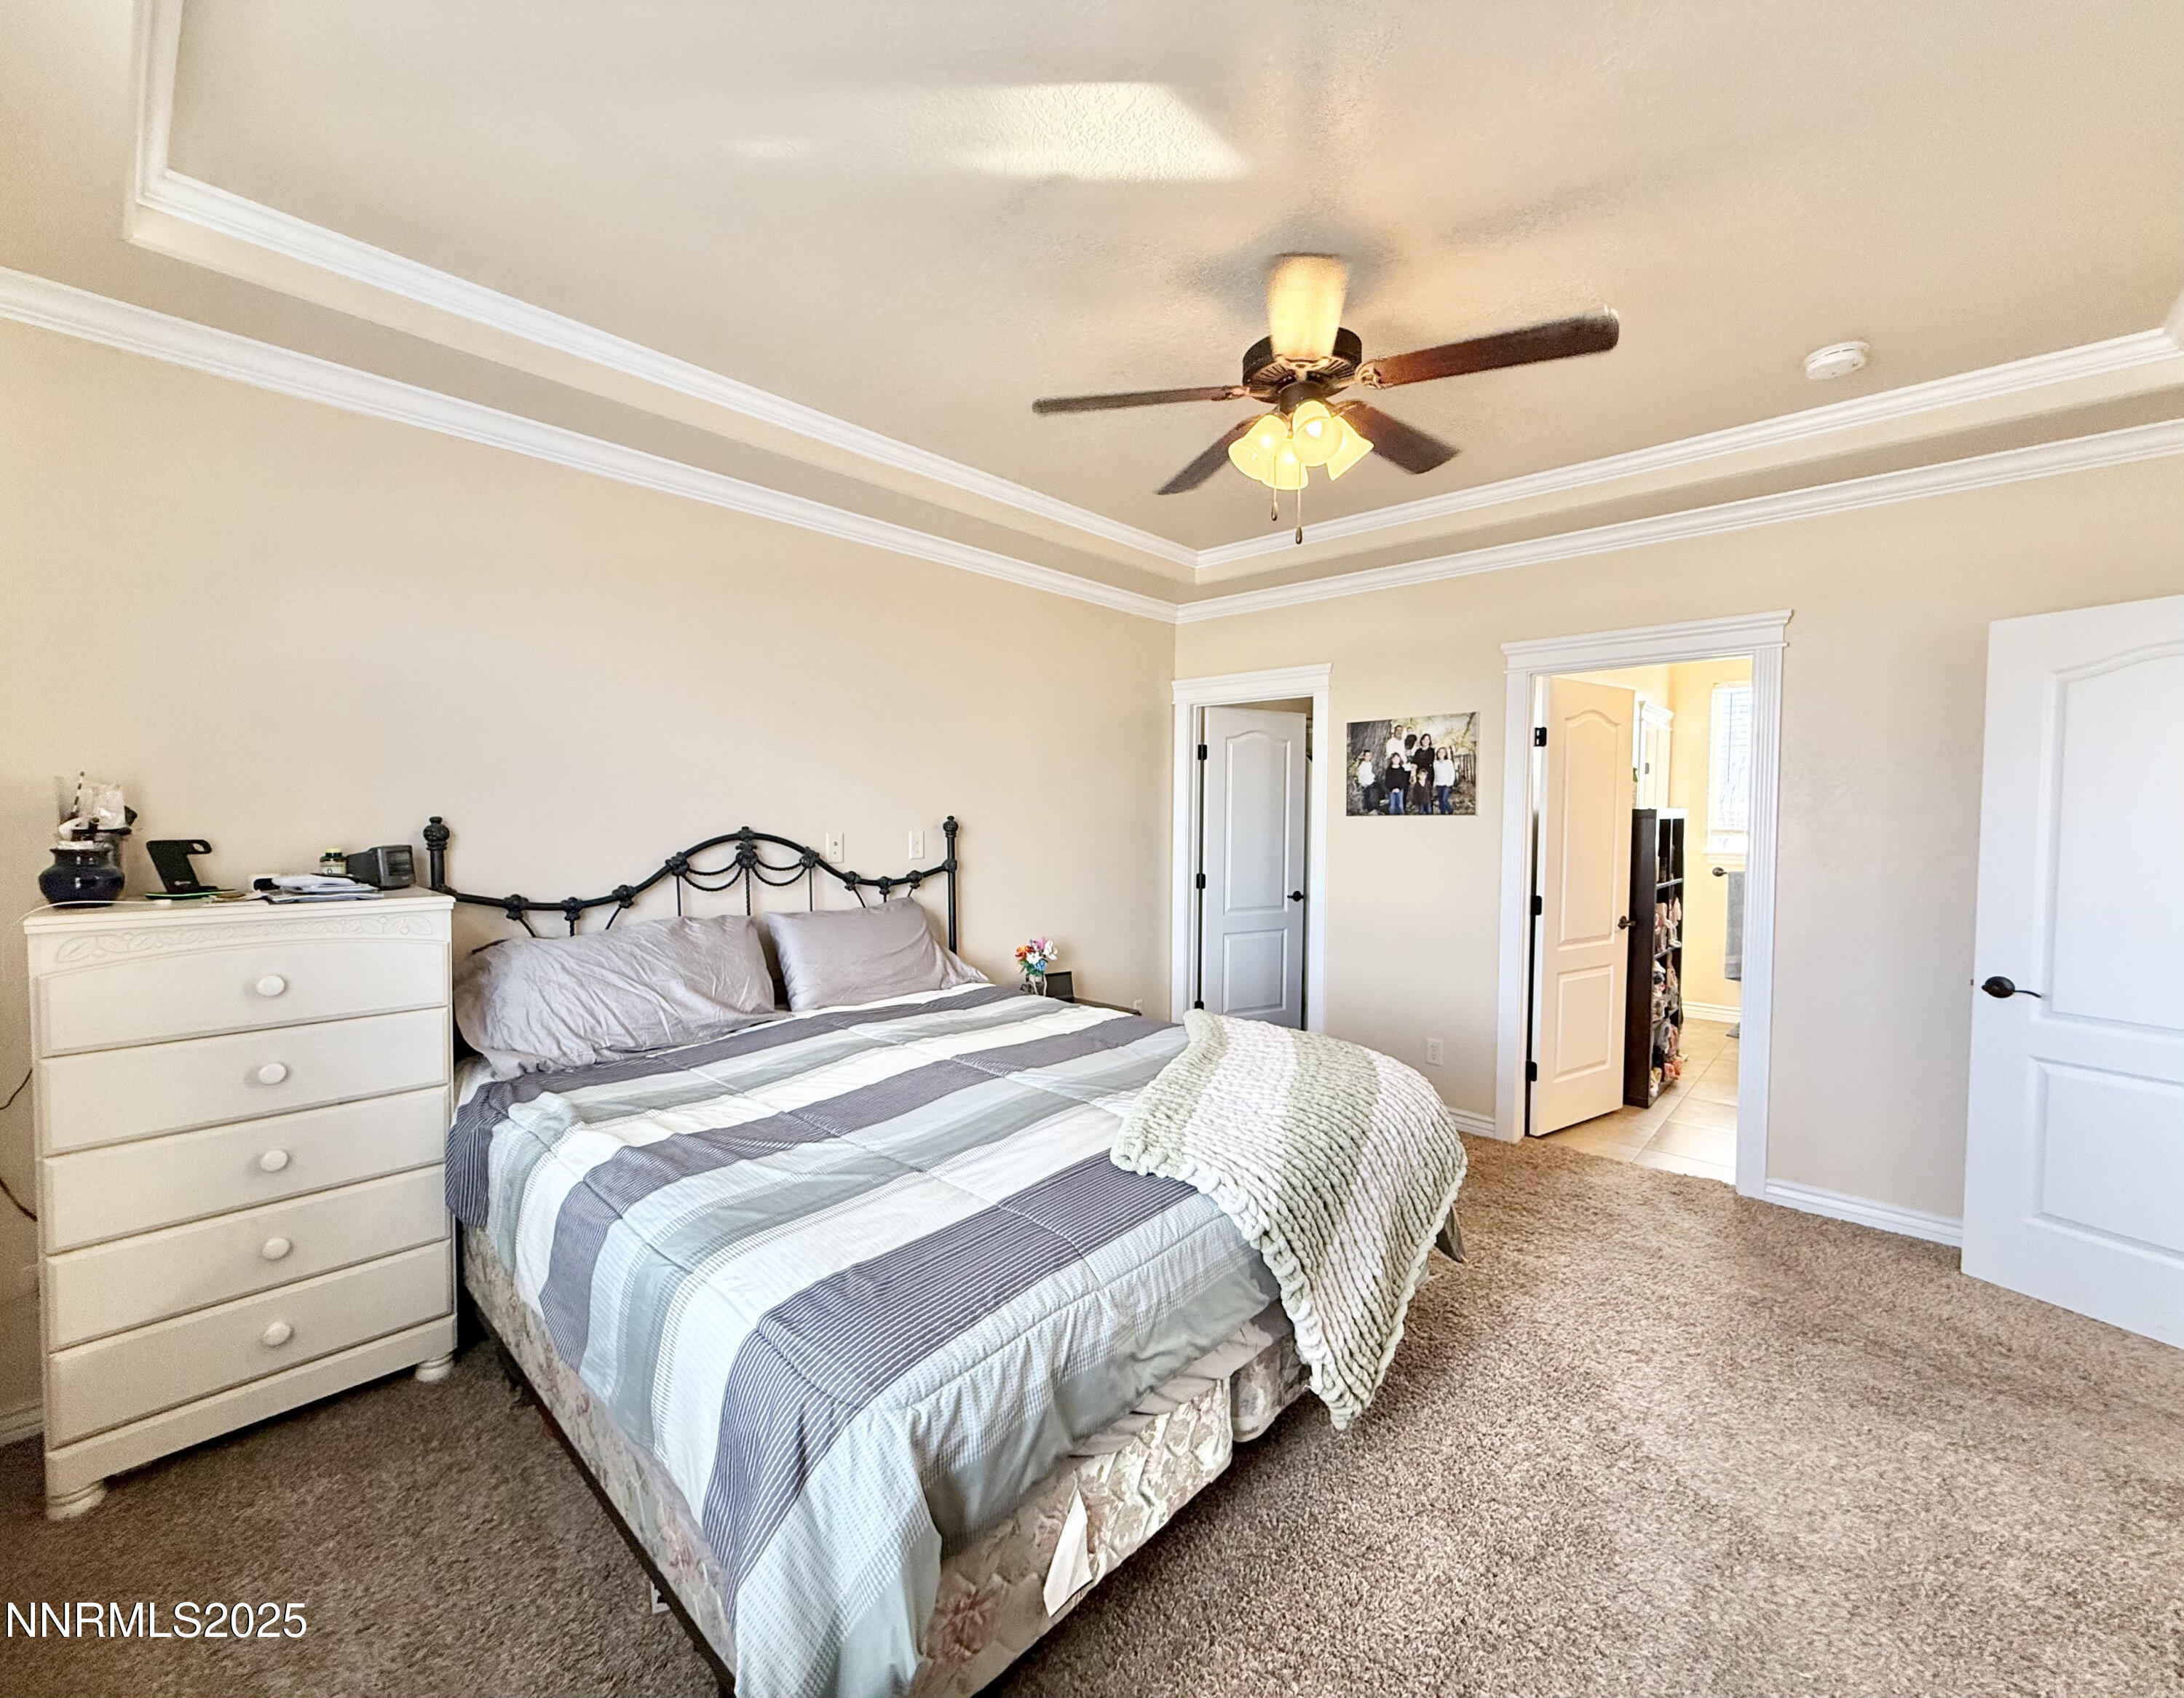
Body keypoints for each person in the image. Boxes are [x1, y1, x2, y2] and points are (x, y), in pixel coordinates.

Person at [1433, 744, 1457, 814]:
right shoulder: (1435, 763)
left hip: (1447, 784)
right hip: (1438, 784)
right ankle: (1442, 813)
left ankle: (1450, 811)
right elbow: (1435, 774)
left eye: (1443, 752)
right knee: (1440, 800)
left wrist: (1449, 784)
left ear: (1445, 754)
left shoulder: (1448, 762)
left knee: (1444, 800)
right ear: (1437, 753)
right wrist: (1434, 783)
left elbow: (1452, 774)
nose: (1441, 754)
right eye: (1439, 752)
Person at [1355, 747, 1379, 815]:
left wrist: (1373, 777)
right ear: (1364, 757)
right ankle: (1369, 809)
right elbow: (1360, 775)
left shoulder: (1369, 764)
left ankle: (1380, 801)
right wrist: (1362, 783)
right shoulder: (1362, 765)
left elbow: (1370, 773)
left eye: (1369, 756)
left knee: (1379, 786)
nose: (1368, 757)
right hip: (1364, 782)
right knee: (1367, 795)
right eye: (1367, 756)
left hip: (1370, 780)